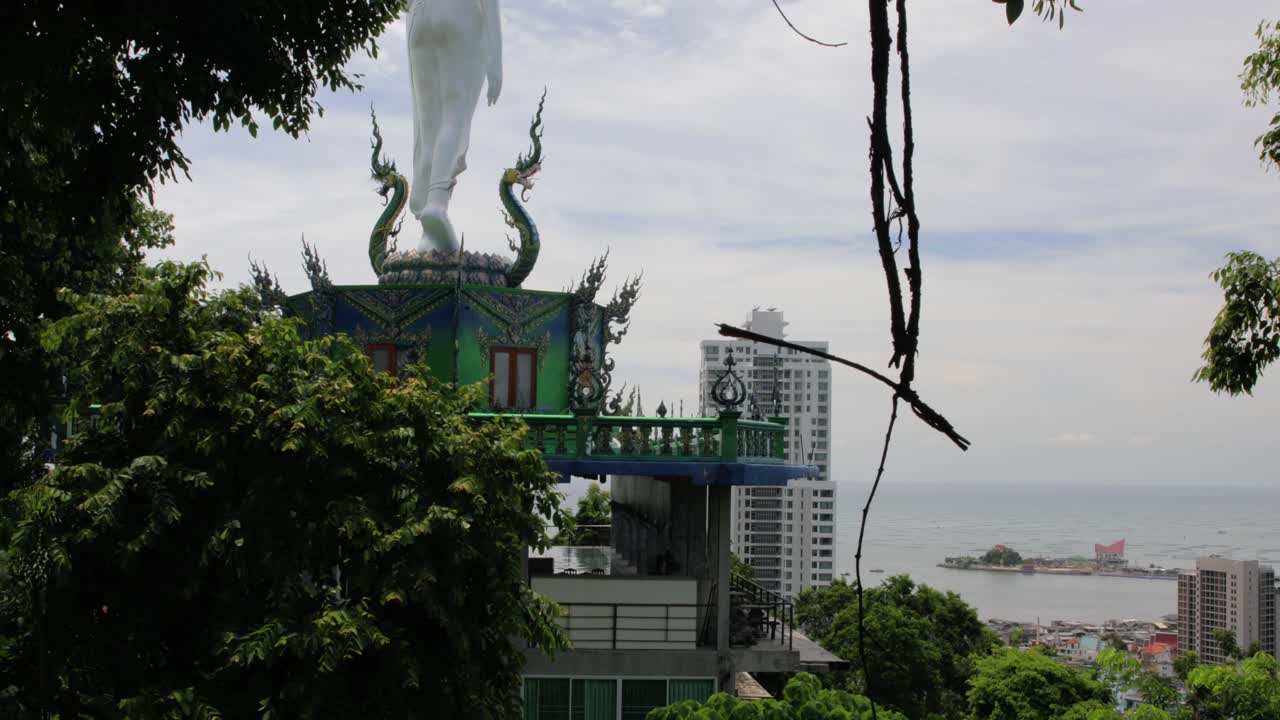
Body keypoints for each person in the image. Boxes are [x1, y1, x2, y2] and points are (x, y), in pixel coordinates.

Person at [406, 0, 503, 254]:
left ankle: (429, 232)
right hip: (457, 13)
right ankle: (436, 203)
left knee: (429, 128)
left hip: (419, 17)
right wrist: (496, 57)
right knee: (454, 114)